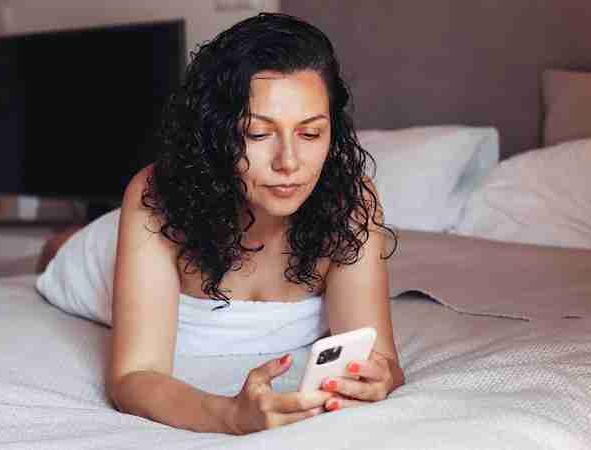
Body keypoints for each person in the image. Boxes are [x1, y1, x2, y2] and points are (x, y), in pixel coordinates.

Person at [104, 12, 404, 435]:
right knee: (71, 254)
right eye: (258, 135)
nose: (289, 163)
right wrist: (230, 415)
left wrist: (380, 379)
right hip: (119, 247)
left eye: (311, 134)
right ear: (217, 133)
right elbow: (132, 377)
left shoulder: (350, 201)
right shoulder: (158, 196)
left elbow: (384, 361)